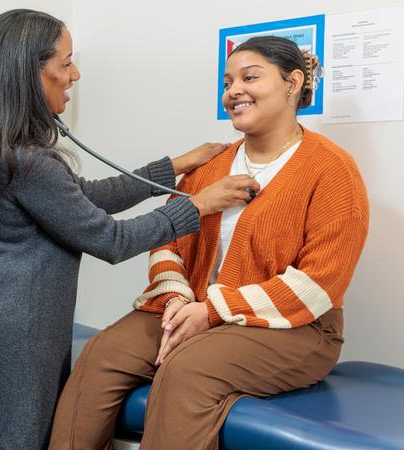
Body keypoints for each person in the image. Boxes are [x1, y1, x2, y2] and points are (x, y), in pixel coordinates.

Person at [0, 9, 260, 450]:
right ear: (31, 73)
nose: (75, 74)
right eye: (66, 63)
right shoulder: (29, 162)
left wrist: (171, 167)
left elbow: (83, 196)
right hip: (14, 344)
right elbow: (111, 240)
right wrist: (200, 205)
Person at [49, 36, 369, 450]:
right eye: (227, 81)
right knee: (100, 355)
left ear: (292, 83)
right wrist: (180, 300)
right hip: (192, 308)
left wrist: (214, 311)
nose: (233, 90)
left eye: (249, 77)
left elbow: (319, 285)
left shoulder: (333, 170)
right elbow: (168, 244)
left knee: (187, 370)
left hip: (296, 328)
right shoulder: (210, 166)